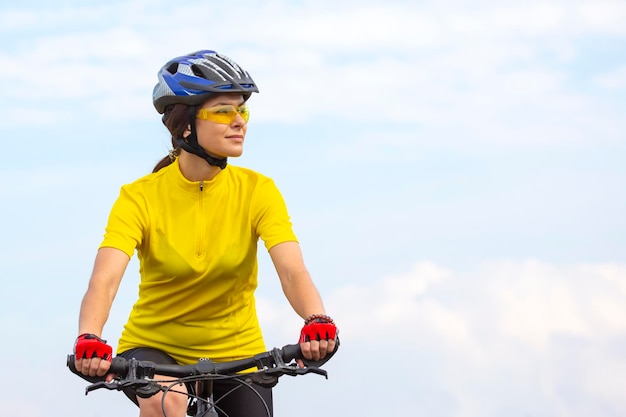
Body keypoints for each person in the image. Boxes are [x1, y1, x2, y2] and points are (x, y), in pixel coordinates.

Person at [73, 50, 338, 417]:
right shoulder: (139, 197)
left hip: (237, 351)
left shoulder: (258, 191)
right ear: (185, 125)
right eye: (223, 111)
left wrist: (316, 320)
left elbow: (293, 271)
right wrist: (90, 337)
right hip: (155, 348)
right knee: (168, 400)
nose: (239, 121)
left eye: (242, 110)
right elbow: (104, 280)